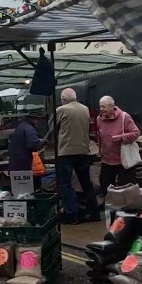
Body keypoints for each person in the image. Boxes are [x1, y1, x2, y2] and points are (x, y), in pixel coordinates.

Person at [53, 88, 99, 224]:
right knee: (86, 183)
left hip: (65, 152)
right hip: (83, 151)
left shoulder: (61, 110)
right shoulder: (85, 109)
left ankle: (72, 215)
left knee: (65, 185)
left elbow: (52, 128)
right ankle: (94, 212)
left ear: (63, 100)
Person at [96, 95, 140, 191]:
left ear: (112, 107)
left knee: (125, 189)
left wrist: (121, 138)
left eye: (104, 107)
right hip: (107, 160)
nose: (101, 109)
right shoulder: (99, 119)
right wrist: (100, 151)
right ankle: (109, 205)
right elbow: (99, 136)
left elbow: (136, 133)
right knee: (105, 187)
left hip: (124, 160)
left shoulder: (124, 117)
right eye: (100, 107)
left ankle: (128, 206)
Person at [8, 108, 44, 182]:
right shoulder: (29, 129)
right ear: (36, 119)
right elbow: (33, 145)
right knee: (29, 185)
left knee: (20, 185)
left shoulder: (22, 126)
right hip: (24, 161)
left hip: (17, 161)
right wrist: (42, 143)